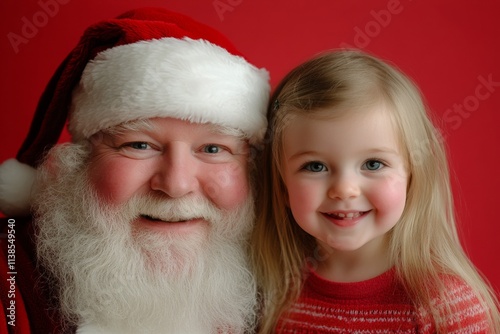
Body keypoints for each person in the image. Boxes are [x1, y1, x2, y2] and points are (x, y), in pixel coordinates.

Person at [0, 7, 270, 333]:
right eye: (139, 145)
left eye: (213, 149)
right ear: (76, 164)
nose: (176, 184)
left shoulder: (288, 294)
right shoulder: (9, 279)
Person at [251, 50, 500, 333]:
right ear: (283, 186)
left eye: (373, 163)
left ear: (412, 176)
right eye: (315, 166)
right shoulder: (273, 294)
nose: (344, 189)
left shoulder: (444, 308)